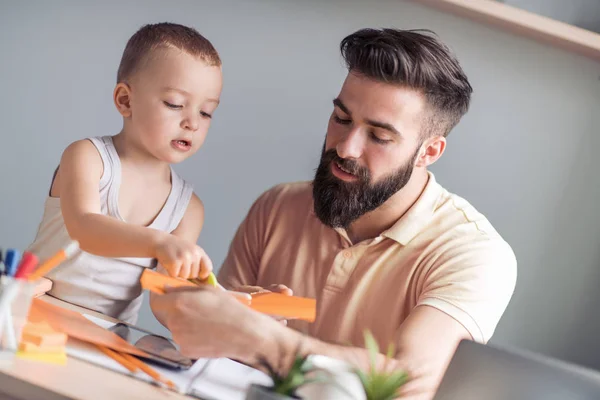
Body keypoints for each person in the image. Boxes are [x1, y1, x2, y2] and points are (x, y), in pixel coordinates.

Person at [151, 28, 517, 399]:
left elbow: (410, 380)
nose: (346, 148)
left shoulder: (475, 254)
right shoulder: (276, 208)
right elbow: (211, 345)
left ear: (429, 152)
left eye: (379, 137)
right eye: (342, 118)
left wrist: (263, 341)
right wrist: (229, 316)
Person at [28, 22, 222, 324]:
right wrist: (160, 242)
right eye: (175, 104)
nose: (192, 123)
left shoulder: (189, 210)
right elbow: (86, 228)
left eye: (206, 111)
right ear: (125, 100)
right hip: (33, 314)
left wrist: (227, 303)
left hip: (108, 340)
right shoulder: (87, 157)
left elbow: (162, 300)